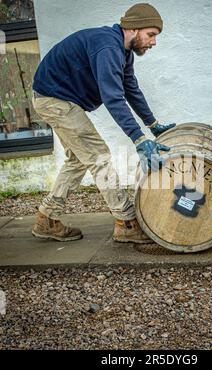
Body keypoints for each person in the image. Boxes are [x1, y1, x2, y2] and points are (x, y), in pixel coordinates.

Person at [31, 3, 176, 243]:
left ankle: (47, 219)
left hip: (58, 98)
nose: (154, 42)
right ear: (134, 28)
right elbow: (112, 97)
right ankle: (126, 221)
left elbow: (130, 88)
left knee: (79, 158)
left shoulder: (123, 51)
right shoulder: (108, 46)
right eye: (151, 34)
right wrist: (138, 139)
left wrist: (153, 124)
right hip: (53, 99)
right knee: (99, 155)